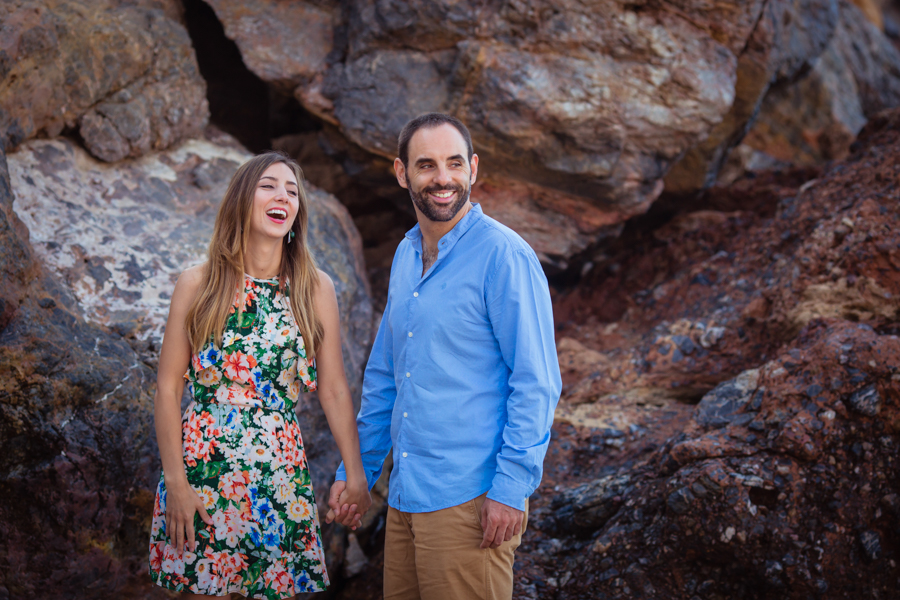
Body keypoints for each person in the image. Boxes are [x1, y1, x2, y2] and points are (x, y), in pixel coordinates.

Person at [327, 113, 562, 599]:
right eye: (427, 165)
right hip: (407, 497)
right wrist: (358, 475)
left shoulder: (504, 256)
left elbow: (536, 382)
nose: (442, 178)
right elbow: (385, 379)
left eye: (454, 163)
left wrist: (510, 489)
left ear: (473, 169)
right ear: (402, 173)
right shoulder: (406, 255)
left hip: (471, 502)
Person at [148, 151, 371, 599]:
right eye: (268, 185)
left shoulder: (315, 287)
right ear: (242, 200)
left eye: (292, 191)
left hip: (279, 472)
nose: (282, 196)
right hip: (203, 469)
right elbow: (169, 386)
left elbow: (332, 388)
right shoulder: (198, 283)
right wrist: (176, 482)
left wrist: (356, 472)